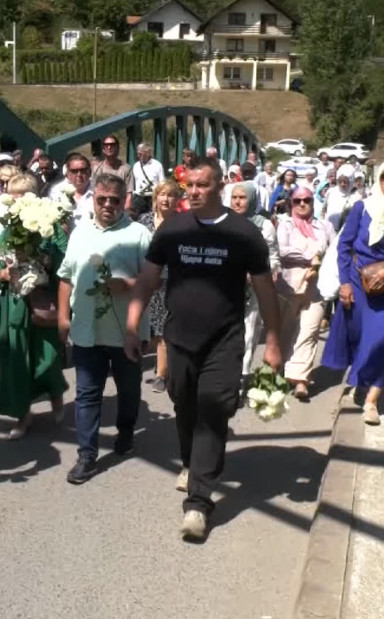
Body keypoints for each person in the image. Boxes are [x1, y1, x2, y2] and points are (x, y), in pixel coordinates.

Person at [125, 157, 282, 542]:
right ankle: (195, 462)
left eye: (202, 186)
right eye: (189, 186)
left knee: (213, 406)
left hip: (224, 340)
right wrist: (132, 324)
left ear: (219, 187)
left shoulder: (244, 233)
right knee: (184, 404)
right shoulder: (173, 230)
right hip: (178, 338)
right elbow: (147, 280)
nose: (193, 192)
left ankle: (198, 502)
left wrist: (274, 342)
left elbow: (264, 290)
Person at [57, 174, 152, 484]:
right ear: (93, 199)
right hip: (87, 328)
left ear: (124, 199)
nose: (108, 205)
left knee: (128, 389)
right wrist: (62, 317)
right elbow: (66, 277)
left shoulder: (139, 234)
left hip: (127, 331)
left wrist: (126, 284)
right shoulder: (79, 233)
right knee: (87, 393)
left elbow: (155, 280)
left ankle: (126, 431)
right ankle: (87, 456)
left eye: (114, 199)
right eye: (102, 199)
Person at [322, 159, 384, 426]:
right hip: (357, 282)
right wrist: (344, 283)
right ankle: (360, 378)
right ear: (378, 178)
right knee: (358, 337)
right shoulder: (361, 208)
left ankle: (372, 401)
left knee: (383, 340)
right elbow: (344, 247)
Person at [0, 173, 68, 440]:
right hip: (16, 305)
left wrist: (45, 260)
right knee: (17, 363)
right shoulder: (9, 230)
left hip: (45, 301)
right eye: (12, 196)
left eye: (22, 197)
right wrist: (3, 275)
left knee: (48, 357)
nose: (16, 202)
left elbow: (66, 263)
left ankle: (55, 394)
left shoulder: (50, 227)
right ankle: (23, 415)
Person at [276, 186, 333, 400]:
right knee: (285, 330)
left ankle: (300, 379)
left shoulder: (324, 226)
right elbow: (280, 249)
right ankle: (280, 369)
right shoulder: (285, 225)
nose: (302, 204)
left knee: (308, 332)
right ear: (291, 202)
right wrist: (311, 255)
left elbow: (334, 250)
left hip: (317, 287)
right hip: (289, 286)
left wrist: (321, 263)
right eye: (298, 200)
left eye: (307, 200)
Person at [230, 181, 281, 379]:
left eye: (242, 198)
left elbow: (273, 256)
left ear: (251, 199)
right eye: (234, 198)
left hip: (253, 287)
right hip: (226, 286)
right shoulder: (224, 221)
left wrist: (260, 273)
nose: (237, 202)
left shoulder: (264, 225)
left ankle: (242, 375)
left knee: (249, 331)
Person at [137, 180, 182, 394]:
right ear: (155, 198)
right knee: (151, 329)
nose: (166, 199)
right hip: (147, 281)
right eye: (162, 194)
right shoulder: (143, 221)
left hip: (170, 282)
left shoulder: (181, 223)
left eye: (171, 195)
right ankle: (163, 365)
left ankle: (161, 375)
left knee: (163, 329)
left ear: (176, 200)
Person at [92, 135, 134, 213]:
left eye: (112, 145)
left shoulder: (126, 169)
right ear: (103, 149)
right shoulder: (97, 169)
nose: (109, 147)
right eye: (106, 145)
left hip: (120, 206)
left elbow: (129, 193)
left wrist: (125, 211)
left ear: (118, 148)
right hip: (102, 206)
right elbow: (94, 191)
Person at [130, 143, 164, 218]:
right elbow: (134, 183)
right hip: (139, 197)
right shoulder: (136, 166)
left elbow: (162, 183)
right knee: (134, 217)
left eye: (140, 154)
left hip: (152, 197)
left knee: (153, 218)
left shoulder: (157, 165)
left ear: (147, 153)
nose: (138, 156)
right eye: (138, 154)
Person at [323, 164, 357, 231]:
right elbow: (324, 209)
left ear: (351, 181)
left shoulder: (355, 195)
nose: (342, 184)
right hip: (329, 229)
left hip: (346, 231)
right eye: (340, 181)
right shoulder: (331, 192)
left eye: (345, 182)